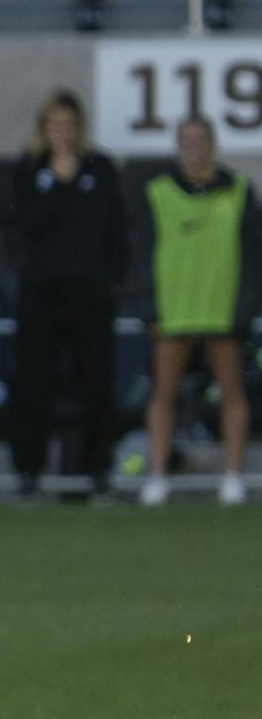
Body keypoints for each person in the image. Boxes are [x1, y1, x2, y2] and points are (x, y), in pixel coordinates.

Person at [8, 89, 127, 500]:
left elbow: (116, 230)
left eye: (69, 125)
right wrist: (58, 181)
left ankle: (97, 469)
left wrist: (115, 280)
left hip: (90, 295)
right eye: (54, 125)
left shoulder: (101, 169)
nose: (62, 133)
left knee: (95, 382)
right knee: (33, 384)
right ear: (43, 129)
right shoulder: (29, 170)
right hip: (41, 293)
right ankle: (28, 469)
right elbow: (24, 227)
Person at [140, 115, 255, 507]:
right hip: (174, 309)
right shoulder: (157, 192)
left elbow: (253, 255)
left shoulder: (239, 190)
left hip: (221, 308)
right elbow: (143, 251)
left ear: (212, 144)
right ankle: (156, 476)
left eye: (200, 139)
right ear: (177, 145)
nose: (193, 146)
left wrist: (246, 306)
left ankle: (234, 476)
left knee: (231, 392)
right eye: (186, 140)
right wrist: (148, 305)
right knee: (164, 392)